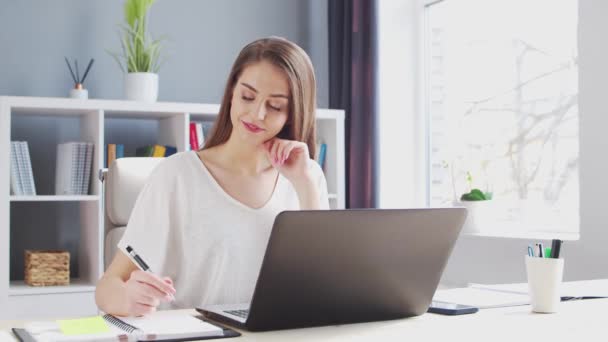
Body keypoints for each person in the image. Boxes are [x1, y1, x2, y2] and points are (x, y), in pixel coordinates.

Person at [95, 36, 329, 317]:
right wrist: (127, 299)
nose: (257, 114)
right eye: (248, 96)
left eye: (275, 106)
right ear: (231, 92)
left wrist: (304, 184)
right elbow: (107, 288)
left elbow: (321, 286)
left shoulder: (306, 176)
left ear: (292, 114)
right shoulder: (177, 176)